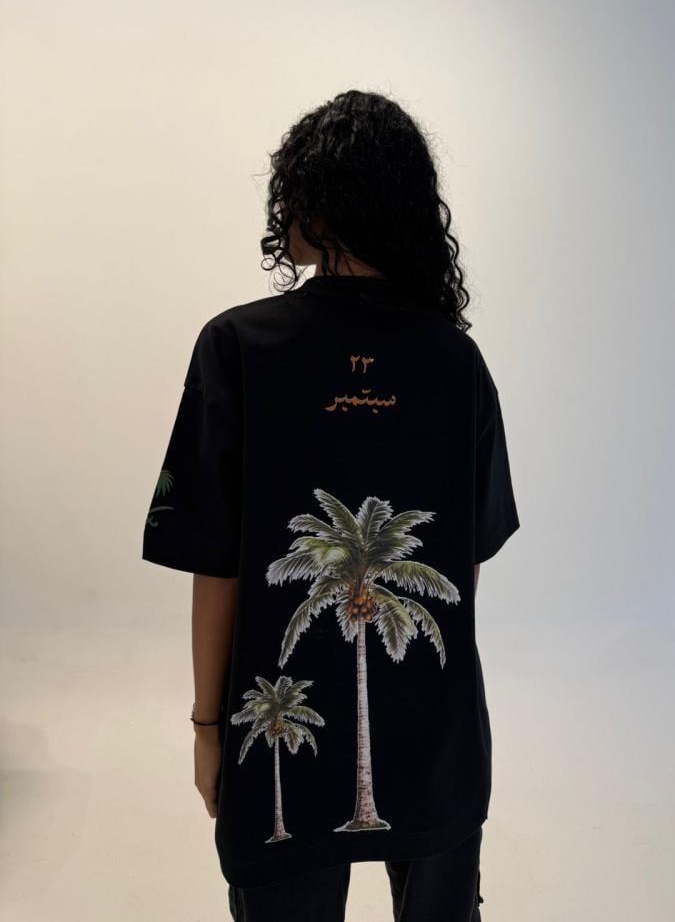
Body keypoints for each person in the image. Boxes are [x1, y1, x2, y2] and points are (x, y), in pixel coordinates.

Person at [142, 89, 520, 921]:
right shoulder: (454, 362)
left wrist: (209, 728)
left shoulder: (238, 347)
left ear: (314, 202)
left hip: (279, 729)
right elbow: (462, 571)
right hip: (438, 736)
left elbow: (218, 566)